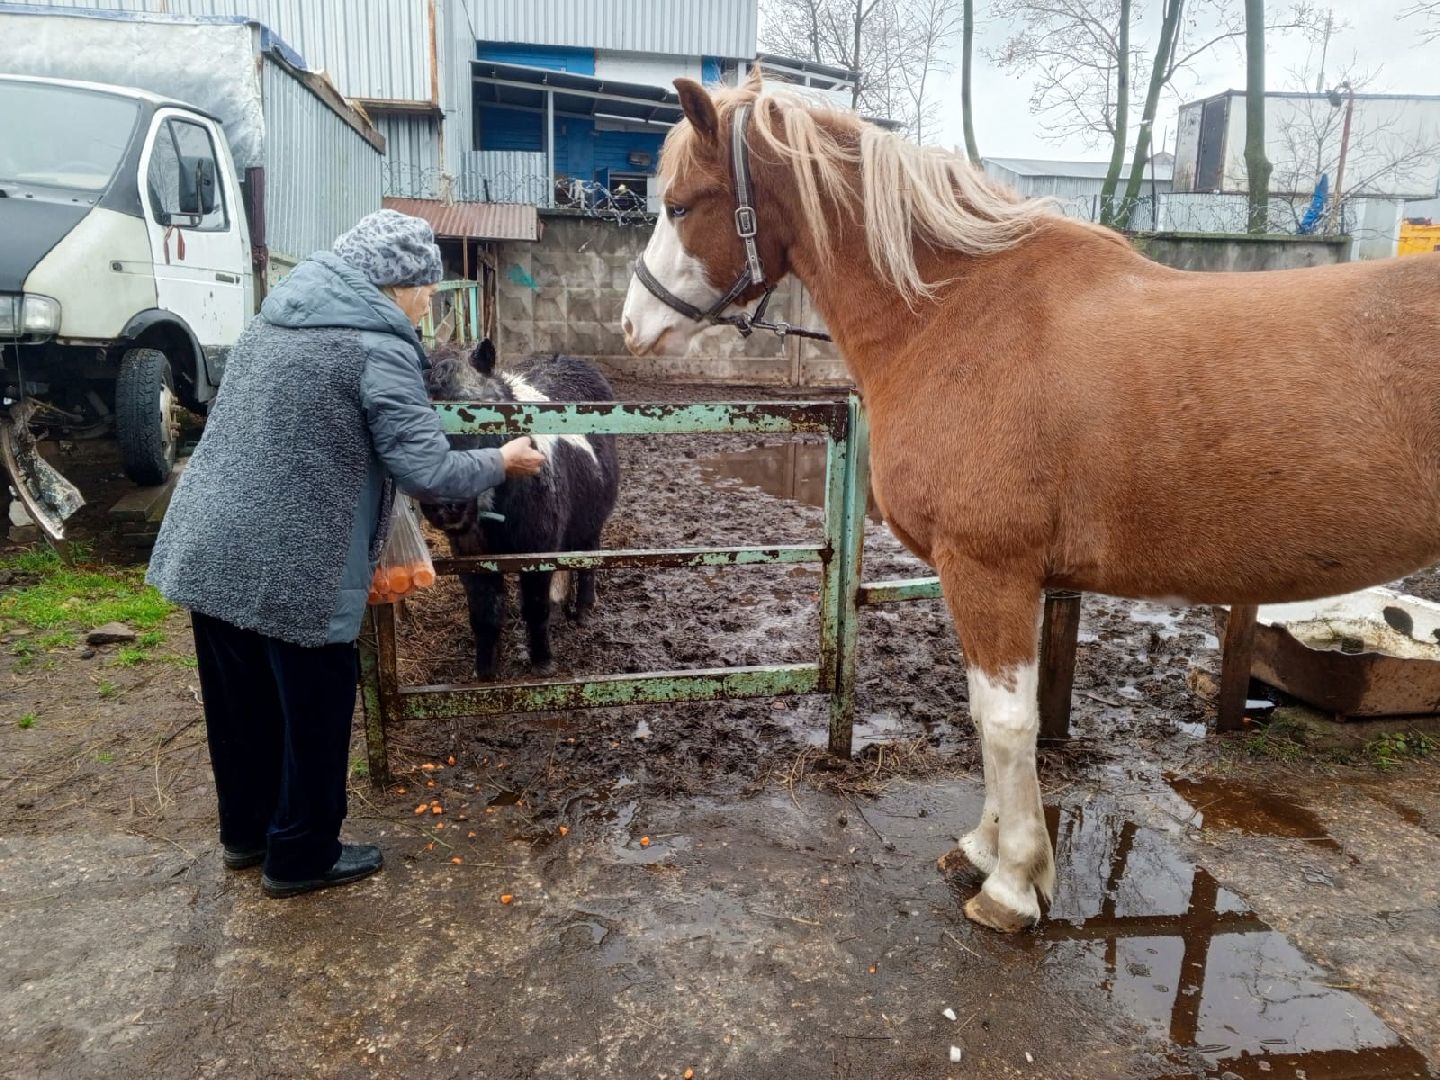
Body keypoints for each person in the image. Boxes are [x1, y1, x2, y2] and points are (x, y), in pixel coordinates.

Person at [146, 209, 544, 899]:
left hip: (208, 540)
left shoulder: (276, 319)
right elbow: (426, 470)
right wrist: (501, 459)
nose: (428, 302)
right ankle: (300, 855)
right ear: (397, 283)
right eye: (426, 288)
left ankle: (246, 834)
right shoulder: (376, 346)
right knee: (316, 707)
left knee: (239, 704)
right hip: (297, 558)